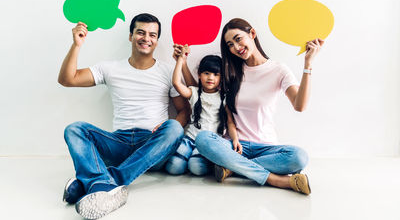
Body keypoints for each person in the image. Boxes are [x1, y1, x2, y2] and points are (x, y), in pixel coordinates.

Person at [58, 13, 190, 219]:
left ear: (156, 40)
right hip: (118, 142)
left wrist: (167, 127)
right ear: (131, 36)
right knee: (75, 129)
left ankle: (105, 180)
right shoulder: (109, 68)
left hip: (152, 145)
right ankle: (100, 181)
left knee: (174, 127)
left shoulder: (168, 70)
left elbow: (184, 112)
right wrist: (77, 45)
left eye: (152, 35)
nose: (146, 38)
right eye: (140, 32)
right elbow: (68, 79)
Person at [195, 18, 323, 195]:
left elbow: (299, 105)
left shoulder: (279, 70)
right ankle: (275, 179)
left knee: (299, 157)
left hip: (266, 147)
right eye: (230, 45)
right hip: (233, 145)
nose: (236, 47)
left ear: (252, 34)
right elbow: (198, 87)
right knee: (203, 139)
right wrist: (181, 61)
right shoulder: (230, 70)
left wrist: (308, 65)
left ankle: (232, 168)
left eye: (238, 39)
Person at [164, 45, 242, 176]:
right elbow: (177, 83)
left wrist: (235, 139)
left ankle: (208, 163)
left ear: (221, 78)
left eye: (216, 74)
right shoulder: (193, 92)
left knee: (196, 168)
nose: (211, 78)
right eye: (206, 73)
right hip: (189, 139)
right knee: (174, 167)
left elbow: (230, 122)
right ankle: (186, 159)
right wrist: (180, 60)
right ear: (199, 75)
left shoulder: (223, 98)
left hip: (207, 142)